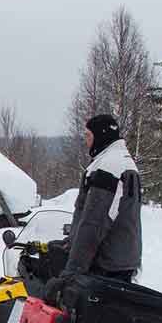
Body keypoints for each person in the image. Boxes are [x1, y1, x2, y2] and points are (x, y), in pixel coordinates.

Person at [44, 114, 142, 304]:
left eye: (88, 136)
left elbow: (94, 224)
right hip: (118, 259)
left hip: (107, 264)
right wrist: (70, 242)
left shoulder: (109, 168)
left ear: (101, 135)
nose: (86, 141)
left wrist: (71, 272)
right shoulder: (119, 161)